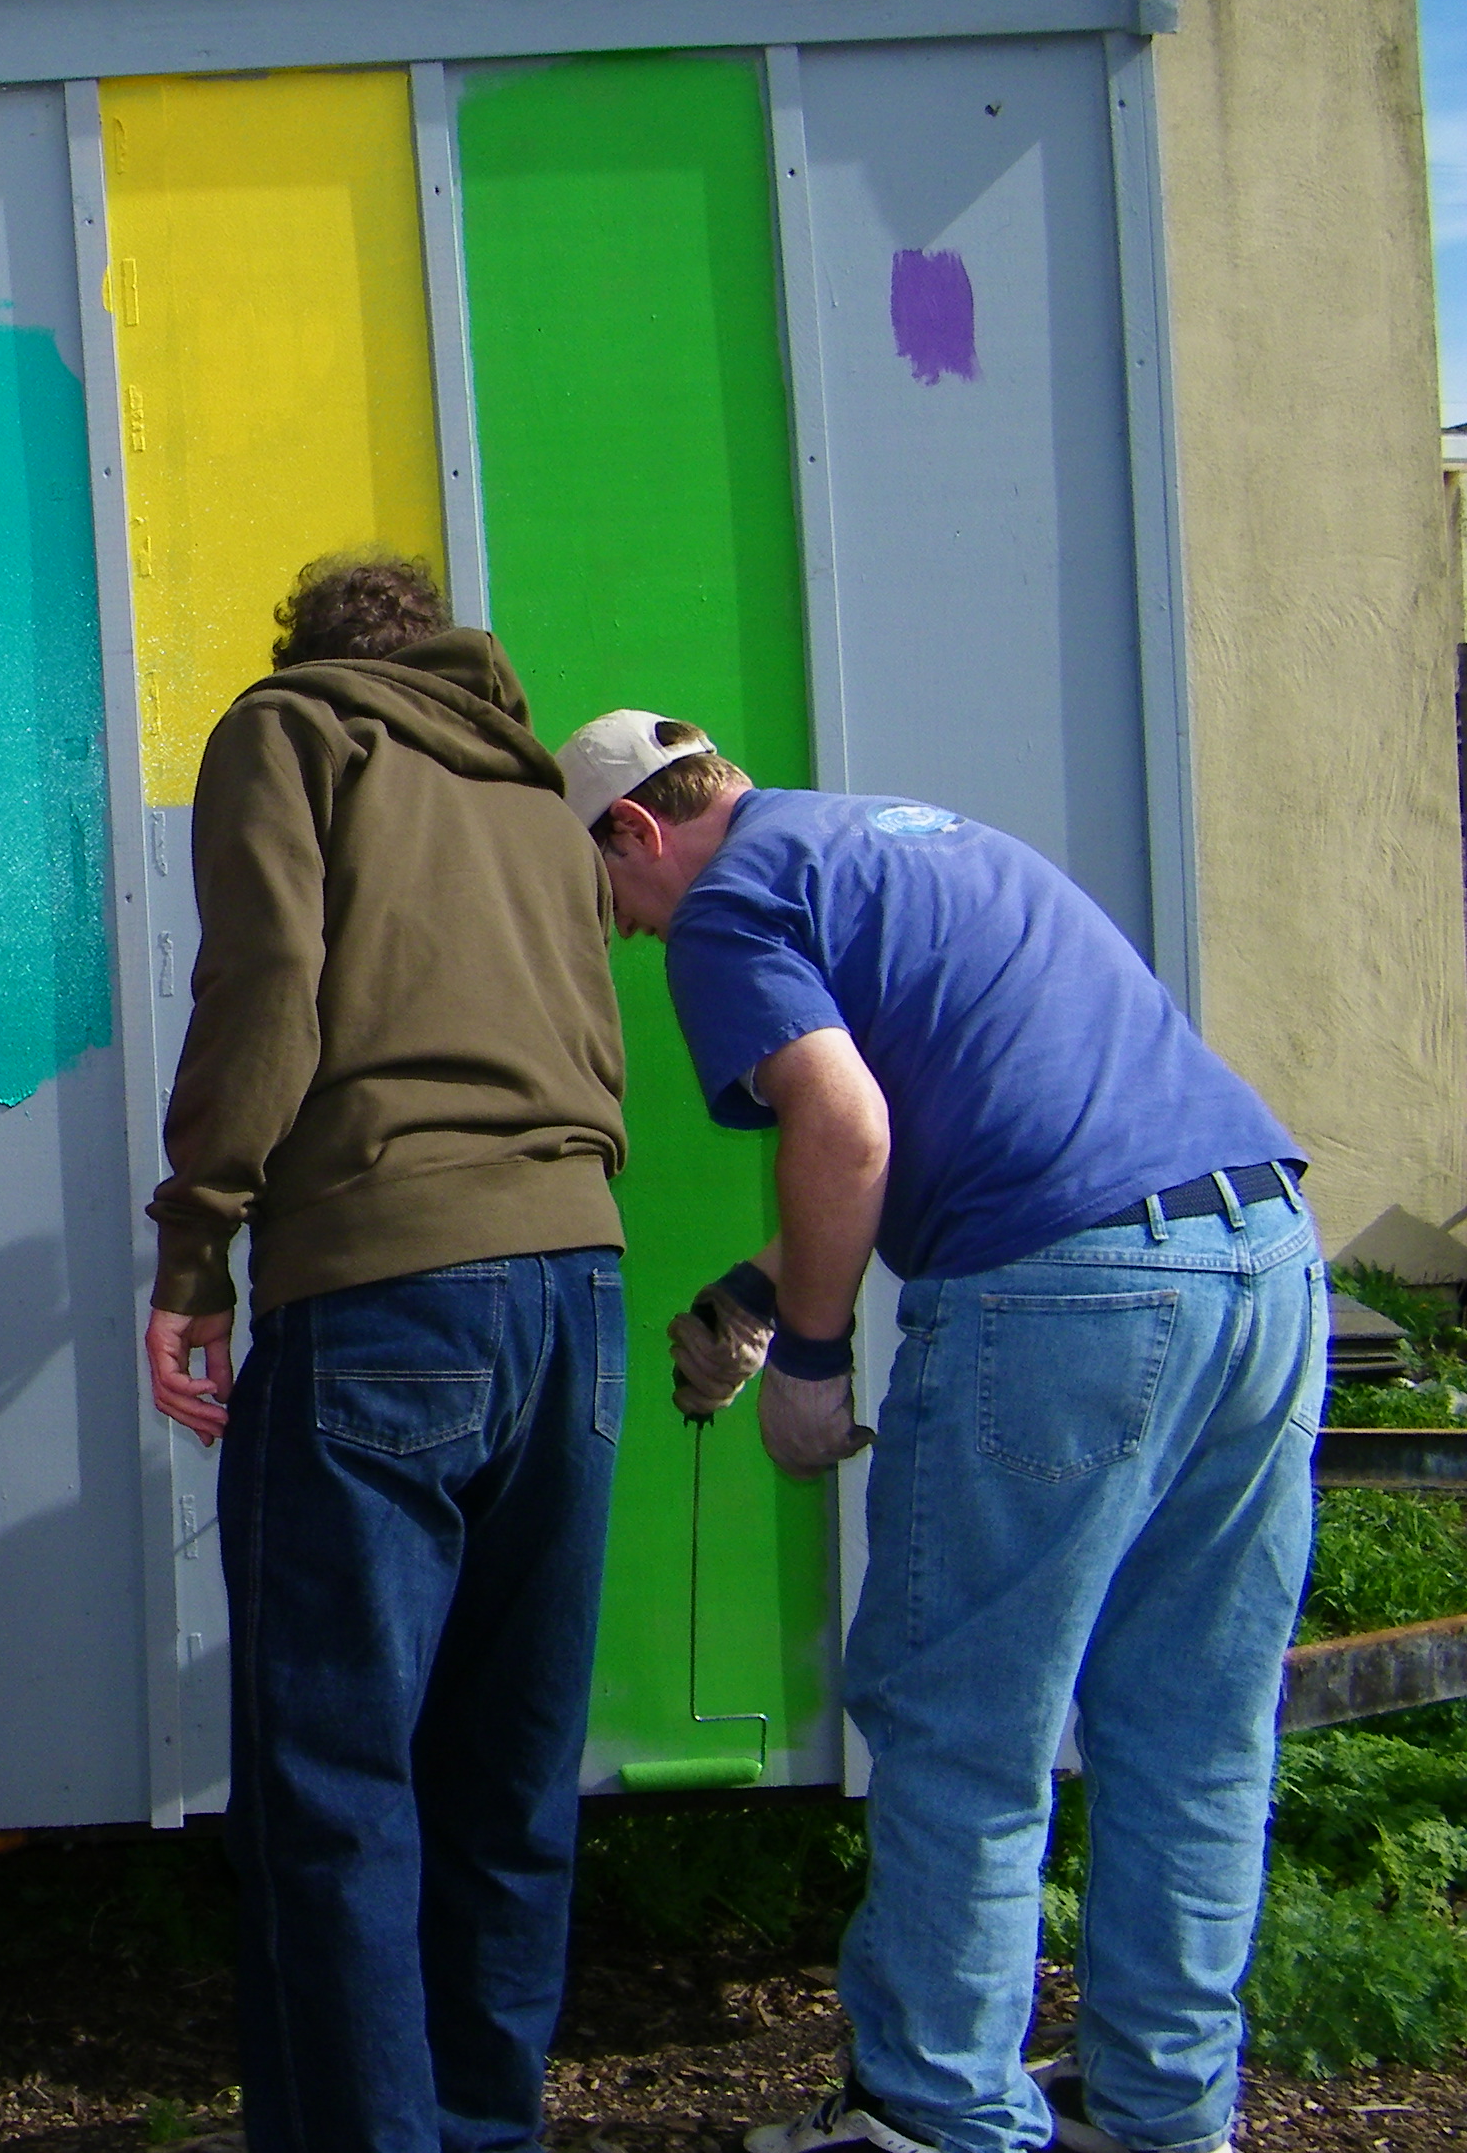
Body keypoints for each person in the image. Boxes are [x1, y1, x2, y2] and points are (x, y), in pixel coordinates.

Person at [562, 712, 1316, 2153]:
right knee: (1194, 1718)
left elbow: (845, 1131)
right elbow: (965, 1117)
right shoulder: (908, 840)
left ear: (639, 830)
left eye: (617, 904)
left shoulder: (728, 906)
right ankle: (1162, 2110)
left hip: (1067, 1300)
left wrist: (811, 1365)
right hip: (1261, 1256)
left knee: (965, 1718)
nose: (637, 938)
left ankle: (935, 2112)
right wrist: (757, 1295)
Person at [138, 552, 630, 2153]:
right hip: (577, 1296)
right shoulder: (539, 796)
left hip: (386, 1286)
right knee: (510, 1772)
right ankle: (483, 2128)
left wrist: (198, 1243)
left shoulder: (291, 731)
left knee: (335, 1788)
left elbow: (267, 982)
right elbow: (598, 1039)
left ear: (312, 653)